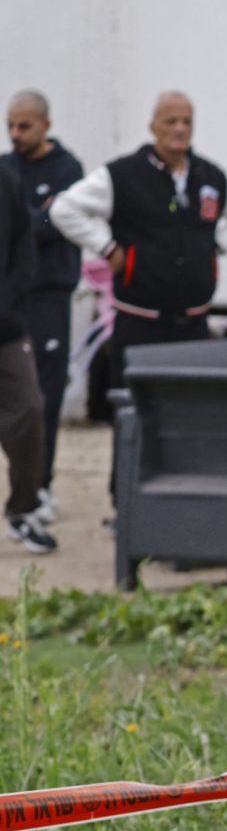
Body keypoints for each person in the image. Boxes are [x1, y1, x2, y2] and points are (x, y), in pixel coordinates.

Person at [48, 91, 227, 351]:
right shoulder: (124, 174)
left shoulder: (209, 175)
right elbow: (65, 209)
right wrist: (107, 248)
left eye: (186, 121)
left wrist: (214, 248)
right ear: (153, 127)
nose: (180, 129)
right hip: (139, 320)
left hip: (194, 322)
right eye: (171, 121)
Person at [5, 92, 84, 527]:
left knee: (43, 399)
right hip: (10, 305)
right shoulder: (6, 167)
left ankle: (41, 486)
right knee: (18, 402)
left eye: (25, 126)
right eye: (10, 125)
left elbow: (59, 222)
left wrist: (26, 220)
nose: (16, 134)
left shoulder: (67, 170)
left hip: (50, 296)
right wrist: (36, 217)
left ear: (46, 125)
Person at [0, 171, 46, 551]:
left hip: (6, 327)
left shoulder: (6, 181)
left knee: (29, 409)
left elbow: (24, 247)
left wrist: (7, 301)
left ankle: (23, 510)